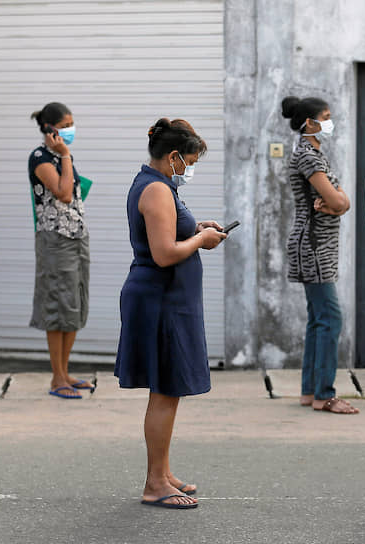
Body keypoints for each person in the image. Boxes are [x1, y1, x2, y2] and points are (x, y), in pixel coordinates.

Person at [114, 118, 226, 509]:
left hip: (168, 300)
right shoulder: (157, 189)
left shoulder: (158, 185)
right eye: (190, 161)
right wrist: (201, 240)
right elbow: (163, 254)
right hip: (159, 301)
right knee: (165, 390)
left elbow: (169, 232)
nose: (190, 169)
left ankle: (162, 472)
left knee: (170, 389)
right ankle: (154, 483)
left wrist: (198, 226)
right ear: (174, 156)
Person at [281, 96, 358, 415]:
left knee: (318, 319)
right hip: (313, 245)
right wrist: (338, 200)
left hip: (316, 244)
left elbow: (341, 202)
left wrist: (339, 200)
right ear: (309, 123)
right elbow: (337, 202)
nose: (330, 122)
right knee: (330, 317)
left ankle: (310, 391)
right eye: (325, 117)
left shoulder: (312, 154)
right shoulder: (308, 157)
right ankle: (324, 394)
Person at [28, 102, 92, 399]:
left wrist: (65, 157)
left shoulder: (62, 157)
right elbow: (64, 194)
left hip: (76, 238)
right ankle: (57, 378)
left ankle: (65, 373)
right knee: (57, 306)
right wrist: (65, 156)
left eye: (71, 124)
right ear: (49, 128)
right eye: (64, 125)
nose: (70, 129)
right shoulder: (41, 158)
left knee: (74, 304)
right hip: (54, 241)